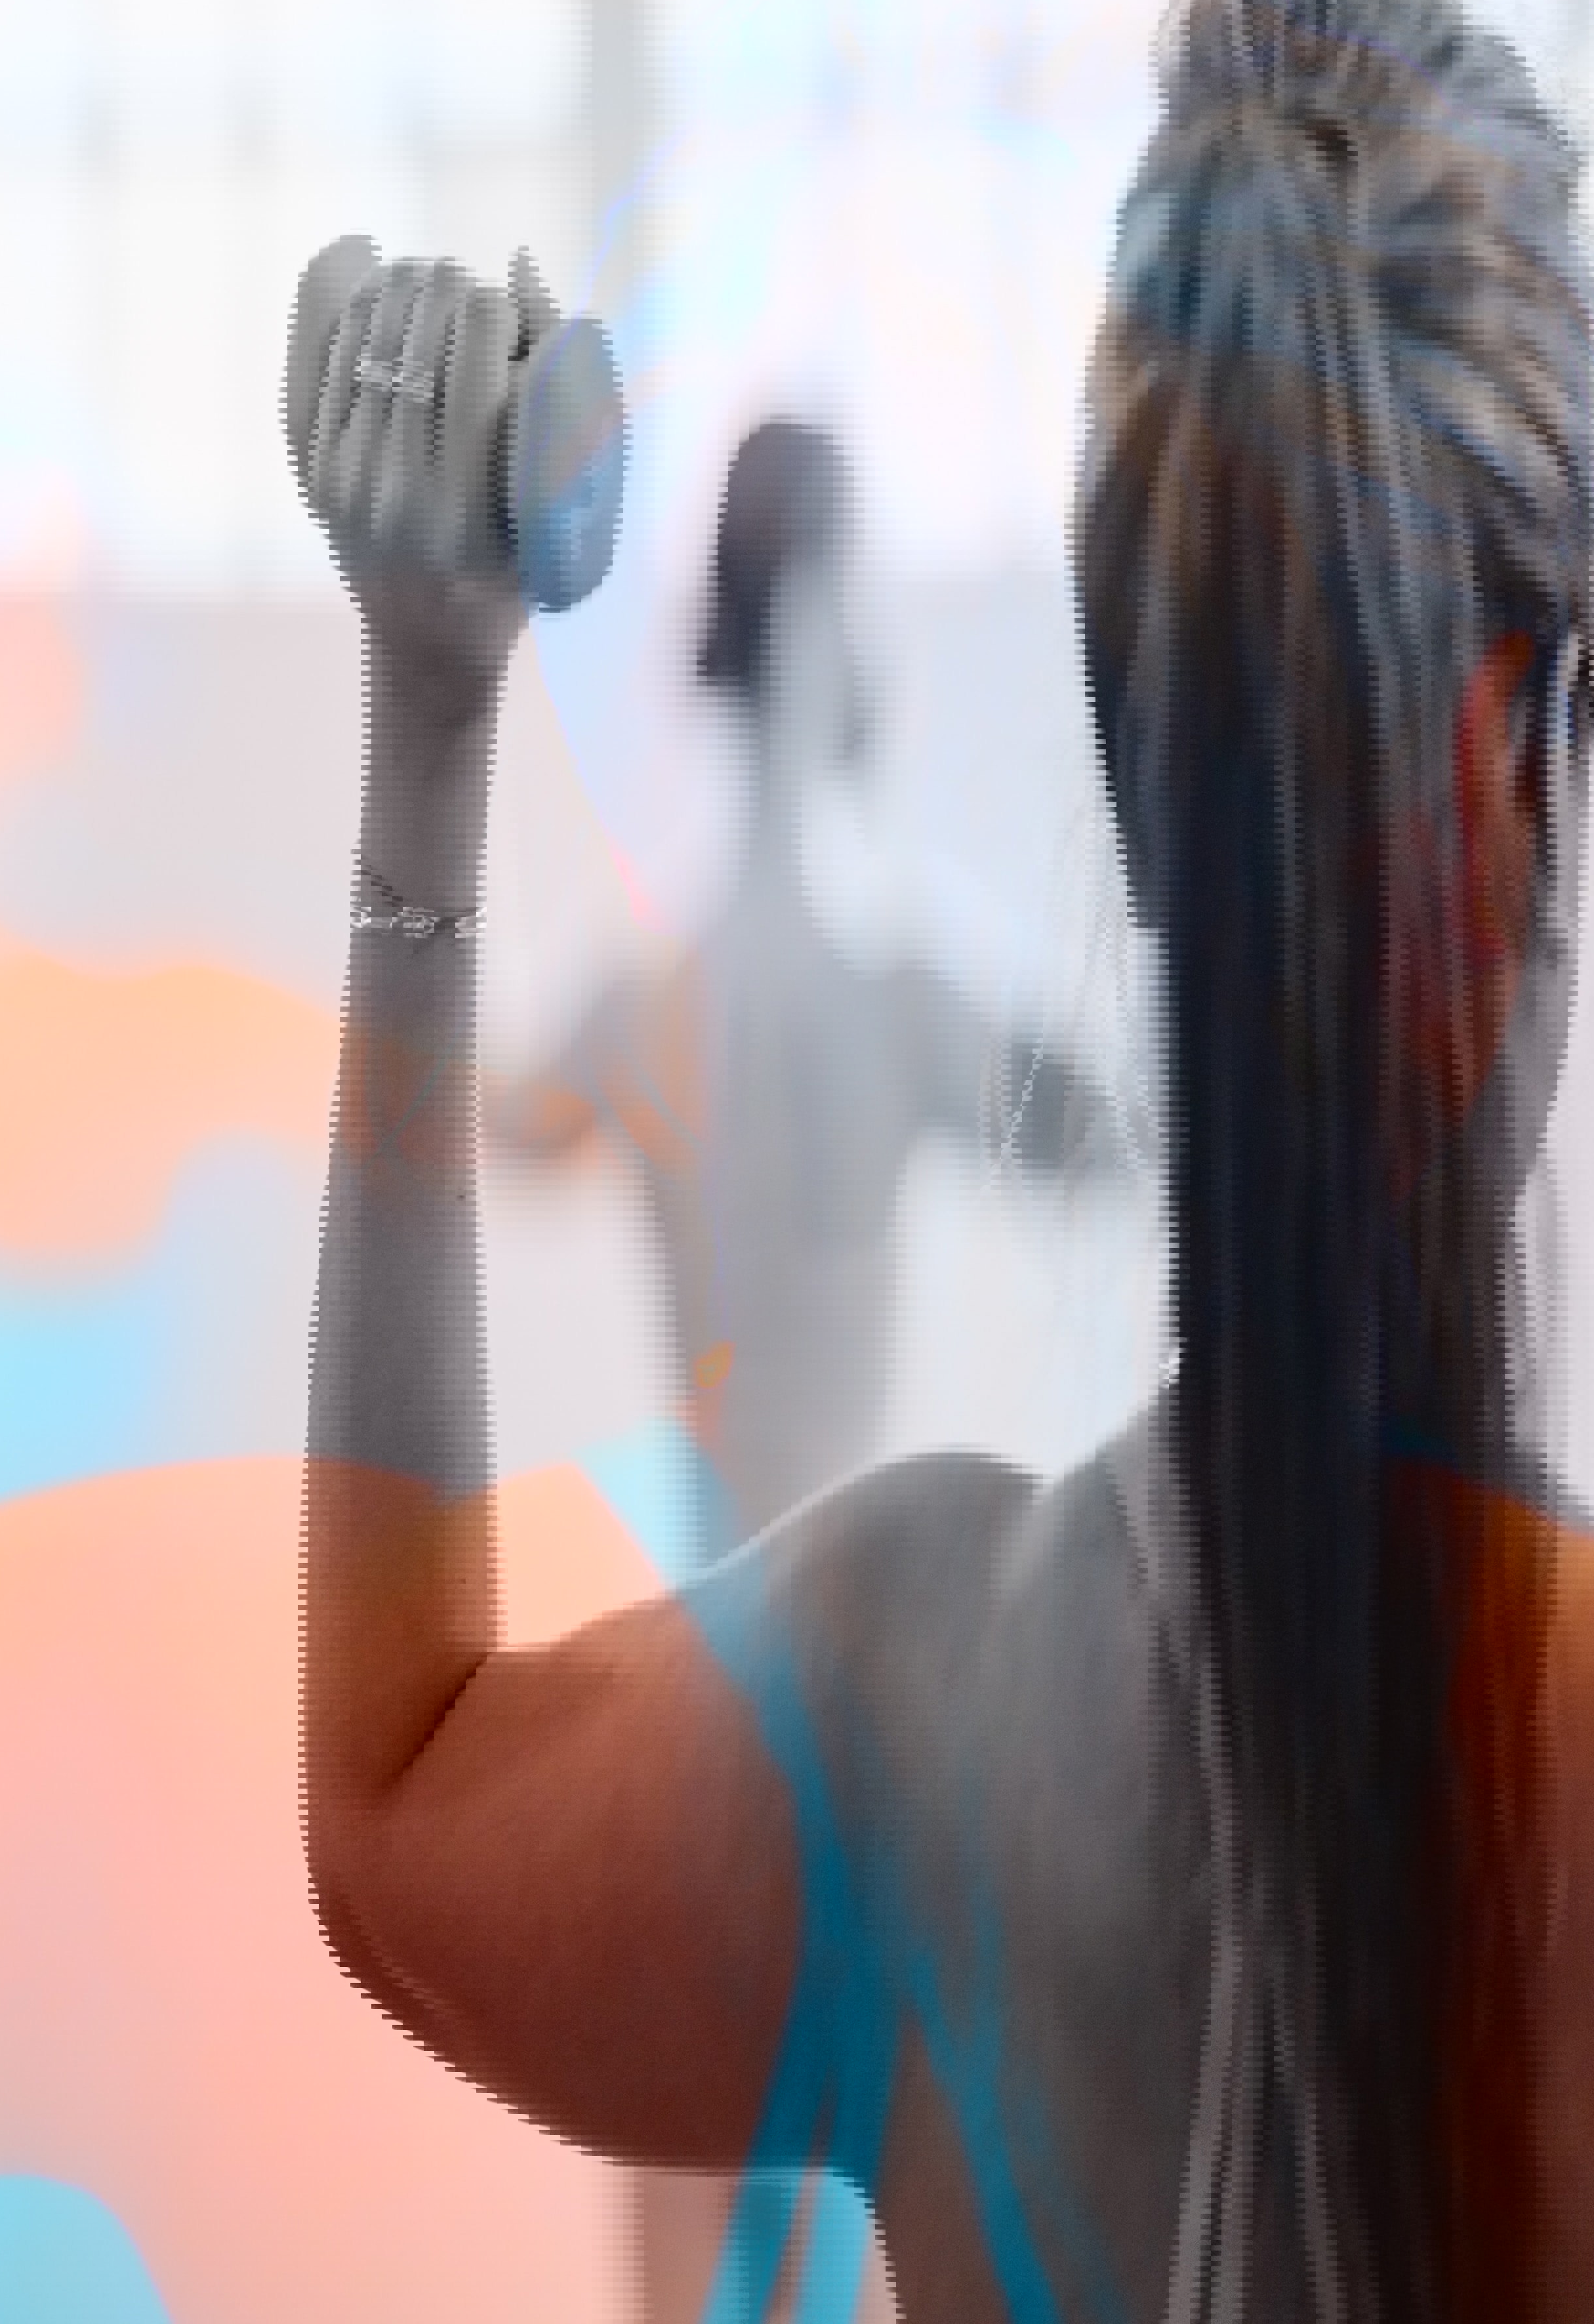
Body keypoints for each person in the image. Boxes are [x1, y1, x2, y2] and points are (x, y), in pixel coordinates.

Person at [299, 0, 1594, 2322]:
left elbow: (394, 1811)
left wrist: (433, 707)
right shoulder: (902, 1009)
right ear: (1528, 738)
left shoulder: (899, 1690)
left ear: (1131, 758)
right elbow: (1095, 1117)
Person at [495, 421, 1126, 2321]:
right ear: (828, 624)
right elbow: (1121, 1133)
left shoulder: (643, 1001)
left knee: (700, 2263)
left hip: (686, 1718)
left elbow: (502, 1126)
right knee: (833, 2254)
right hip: (862, 1732)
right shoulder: (909, 993)